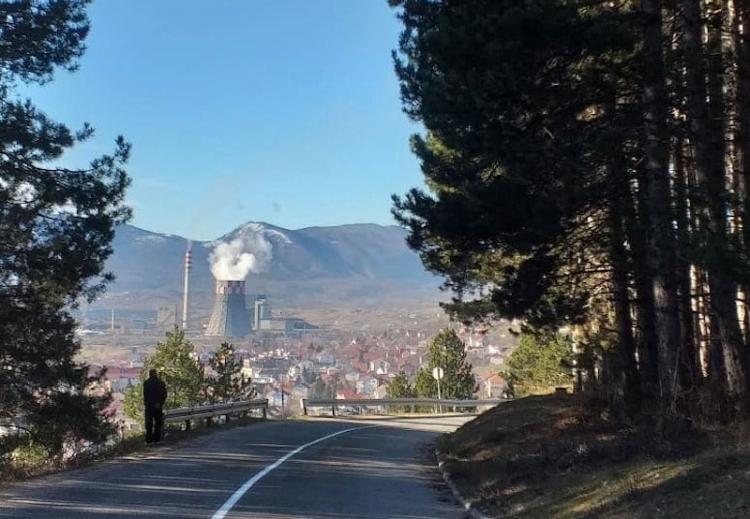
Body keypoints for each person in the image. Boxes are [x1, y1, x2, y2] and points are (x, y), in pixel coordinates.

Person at [143, 369, 167, 443]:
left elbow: (145, 395)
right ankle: (157, 438)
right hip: (158, 406)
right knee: (158, 423)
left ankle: (149, 439)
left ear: (149, 374)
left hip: (149, 406)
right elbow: (164, 394)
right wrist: (160, 403)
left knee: (149, 424)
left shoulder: (146, 383)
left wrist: (147, 403)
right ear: (156, 374)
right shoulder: (161, 383)